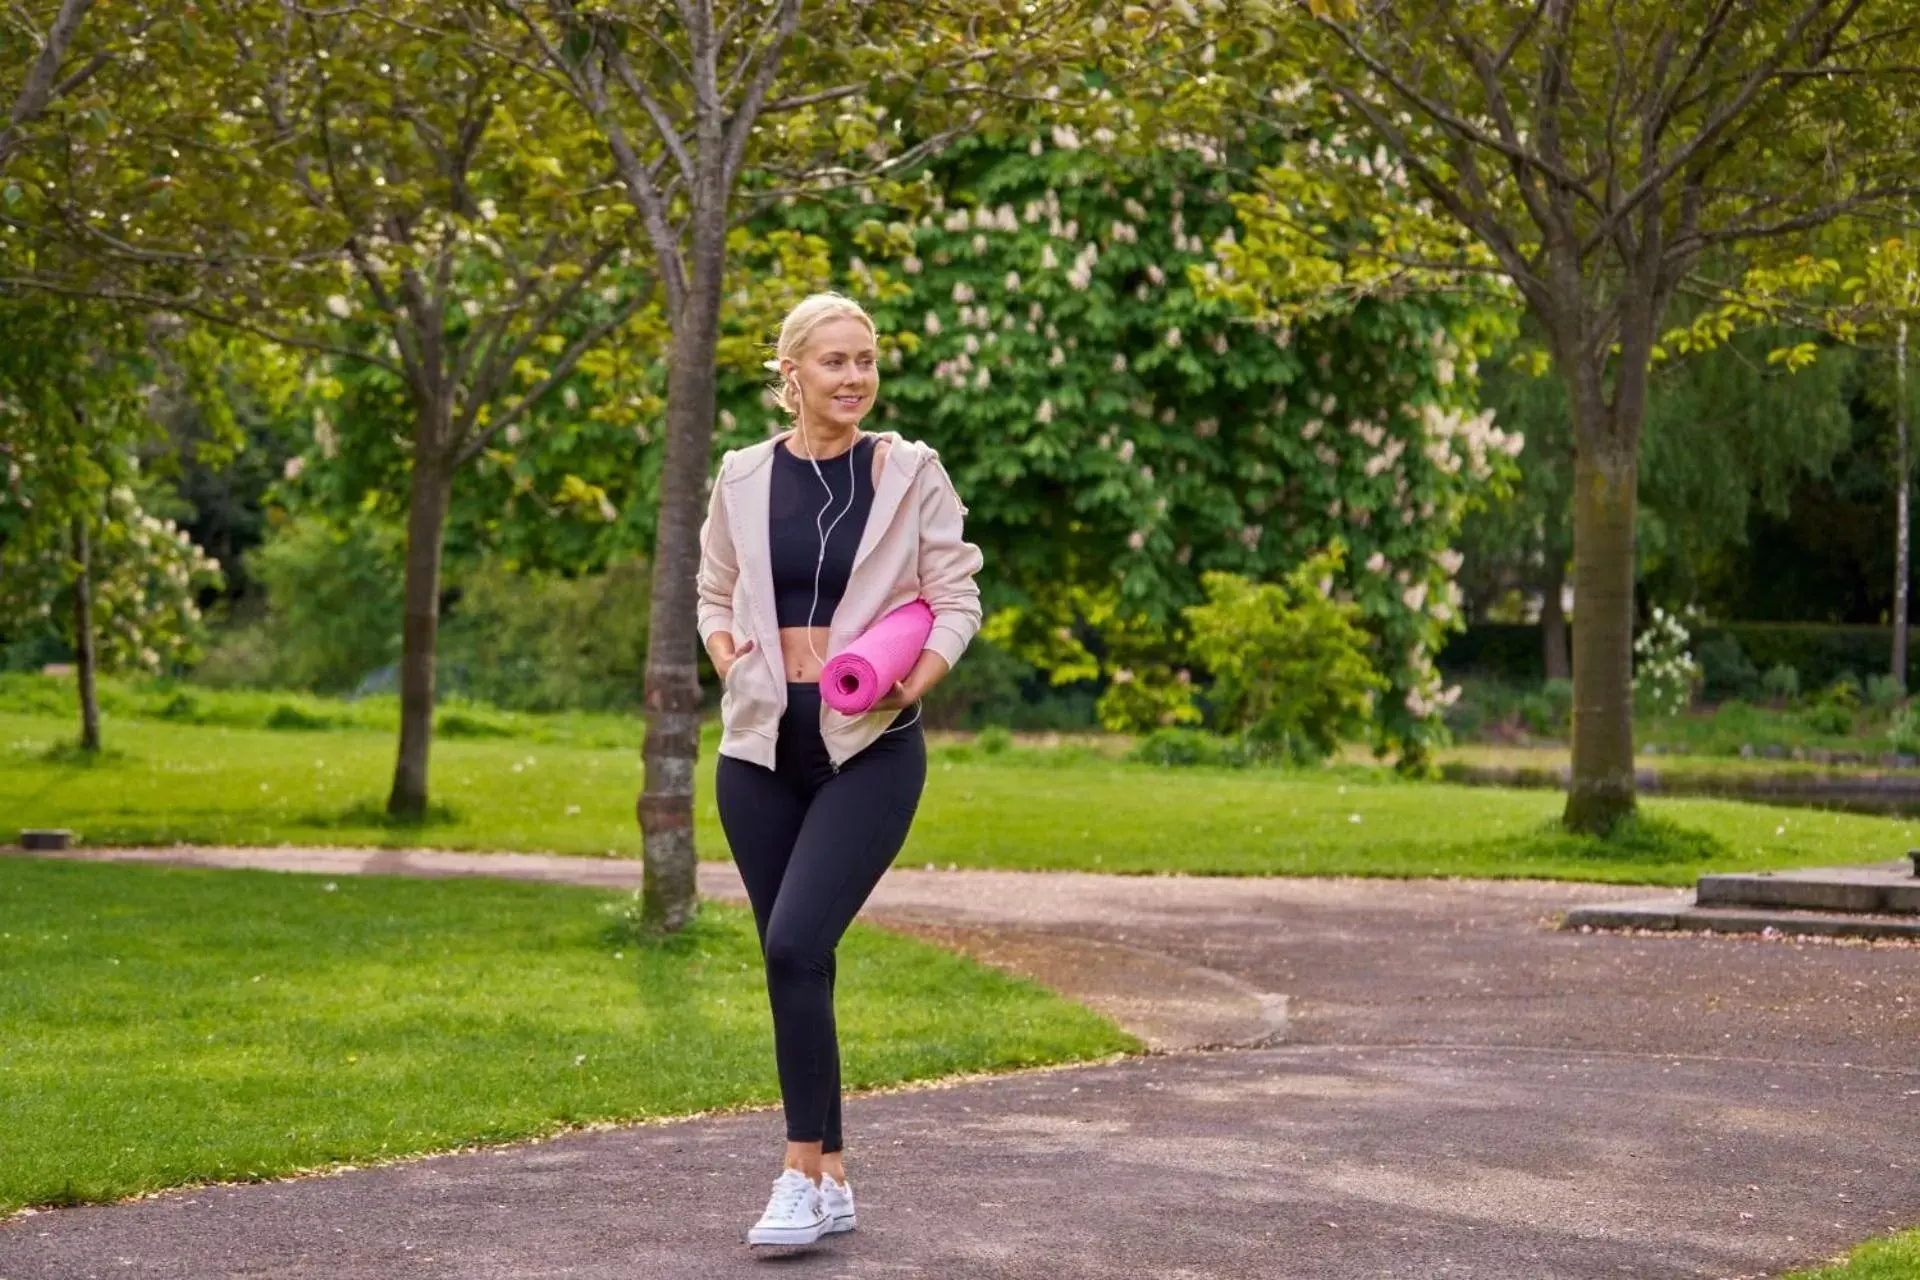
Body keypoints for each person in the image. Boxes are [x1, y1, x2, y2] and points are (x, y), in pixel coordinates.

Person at [694, 291, 984, 1247]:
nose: (855, 377)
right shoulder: (741, 475)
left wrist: (918, 684)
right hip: (762, 746)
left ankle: (793, 1175)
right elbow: (712, 588)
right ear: (792, 375)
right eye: (834, 362)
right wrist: (729, 652)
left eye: (866, 360)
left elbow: (955, 598)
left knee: (793, 942)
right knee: (797, 960)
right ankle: (836, 1179)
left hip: (872, 746)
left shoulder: (909, 471)